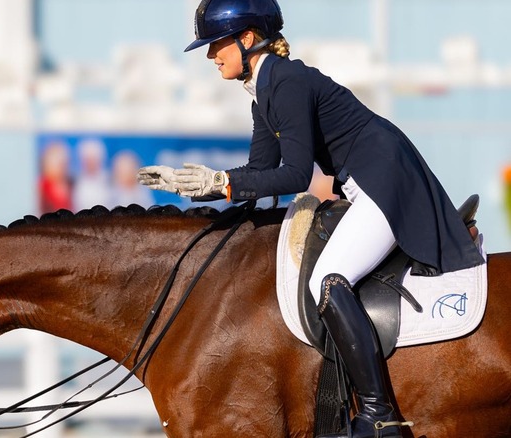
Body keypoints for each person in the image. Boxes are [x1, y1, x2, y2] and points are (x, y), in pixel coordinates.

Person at [137, 1, 485, 437]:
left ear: (248, 39)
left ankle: (380, 415)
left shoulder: (286, 83)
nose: (210, 55)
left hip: (383, 179)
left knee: (330, 279)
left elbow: (297, 175)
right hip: (367, 179)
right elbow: (261, 171)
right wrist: (201, 186)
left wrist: (222, 180)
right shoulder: (265, 93)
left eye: (217, 44)